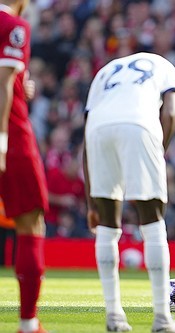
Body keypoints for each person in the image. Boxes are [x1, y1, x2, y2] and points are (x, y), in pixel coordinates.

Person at [83, 52, 175, 333]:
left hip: (98, 131)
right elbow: (171, 112)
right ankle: (162, 319)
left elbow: (87, 134)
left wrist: (91, 201)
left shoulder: (104, 70)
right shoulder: (164, 66)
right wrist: (157, 152)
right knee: (152, 224)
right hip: (139, 125)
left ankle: (114, 315)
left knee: (106, 226)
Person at [0, 1, 49, 332]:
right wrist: (2, 140)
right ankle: (28, 322)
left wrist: (21, 88)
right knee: (31, 222)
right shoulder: (13, 25)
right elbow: (2, 83)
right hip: (11, 134)